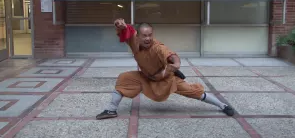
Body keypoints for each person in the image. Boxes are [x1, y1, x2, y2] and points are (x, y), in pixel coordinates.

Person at [96, 18, 234, 119]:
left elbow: (172, 56)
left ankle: (222, 105)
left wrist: (175, 65)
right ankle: (111, 110)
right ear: (137, 36)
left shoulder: (158, 47)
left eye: (150, 35)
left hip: (165, 79)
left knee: (193, 91)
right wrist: (118, 24)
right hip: (145, 77)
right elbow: (124, 30)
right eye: (144, 35)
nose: (148, 38)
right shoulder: (133, 40)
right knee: (124, 78)